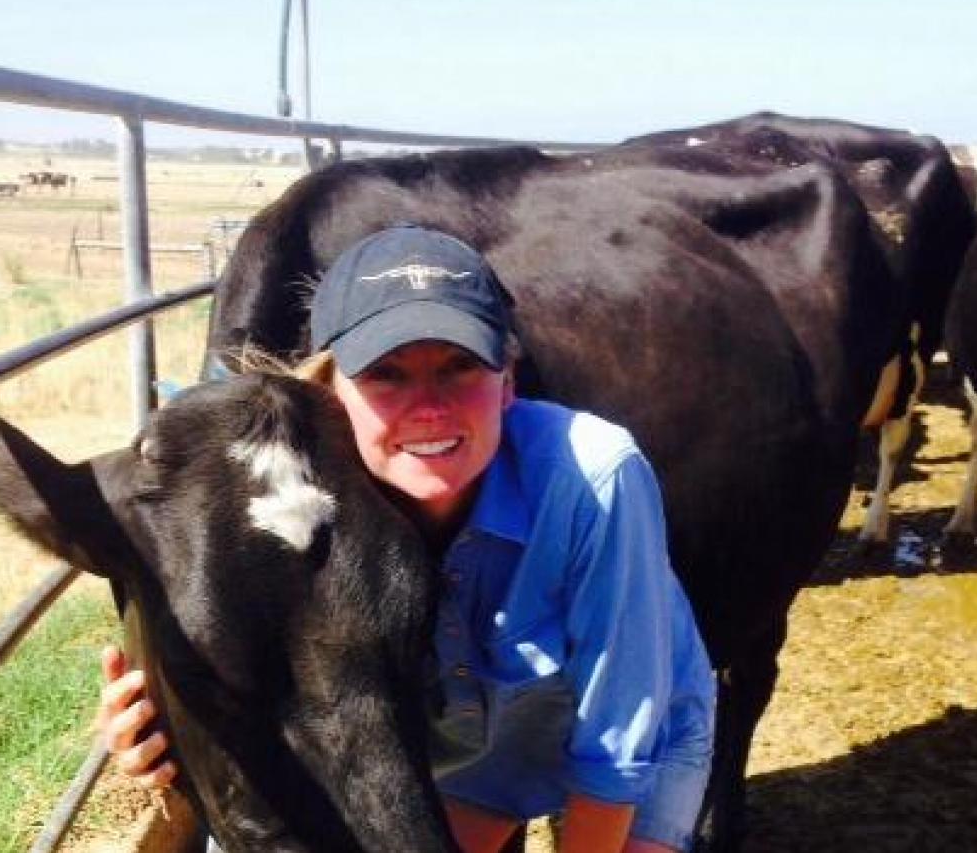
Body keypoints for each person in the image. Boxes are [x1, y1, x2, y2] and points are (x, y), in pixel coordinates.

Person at [97, 223, 716, 853]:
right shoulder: (296, 512)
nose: (429, 407)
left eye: (460, 367)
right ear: (328, 395)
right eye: (387, 374)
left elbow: (619, 738)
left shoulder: (594, 478)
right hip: (479, 753)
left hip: (634, 729)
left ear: (508, 381)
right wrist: (166, 726)